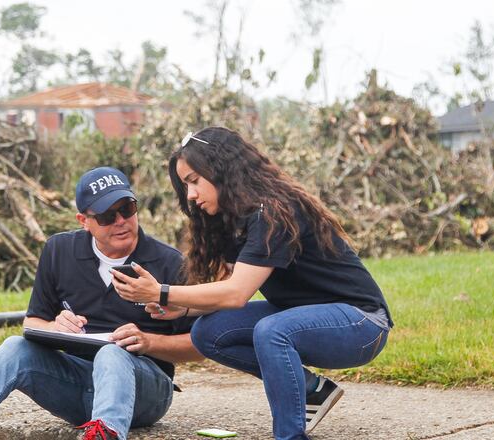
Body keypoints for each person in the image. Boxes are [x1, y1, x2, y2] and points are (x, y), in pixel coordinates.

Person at [112, 127, 393, 440]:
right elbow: (230, 287)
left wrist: (162, 292)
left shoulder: (273, 211)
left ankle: (290, 435)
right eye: (185, 185)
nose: (190, 194)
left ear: (220, 170)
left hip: (361, 324)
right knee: (208, 331)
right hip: (311, 317)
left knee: (272, 331)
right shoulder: (235, 220)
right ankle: (312, 389)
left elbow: (236, 294)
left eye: (193, 180)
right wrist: (182, 307)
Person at [0, 166, 202, 440]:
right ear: (83, 221)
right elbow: (32, 323)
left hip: (146, 392)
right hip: (76, 387)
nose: (121, 221)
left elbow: (197, 346)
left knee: (112, 354)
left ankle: (106, 432)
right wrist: (55, 326)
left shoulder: (168, 262)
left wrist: (147, 342)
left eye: (127, 209)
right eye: (106, 216)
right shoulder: (59, 251)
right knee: (14, 347)